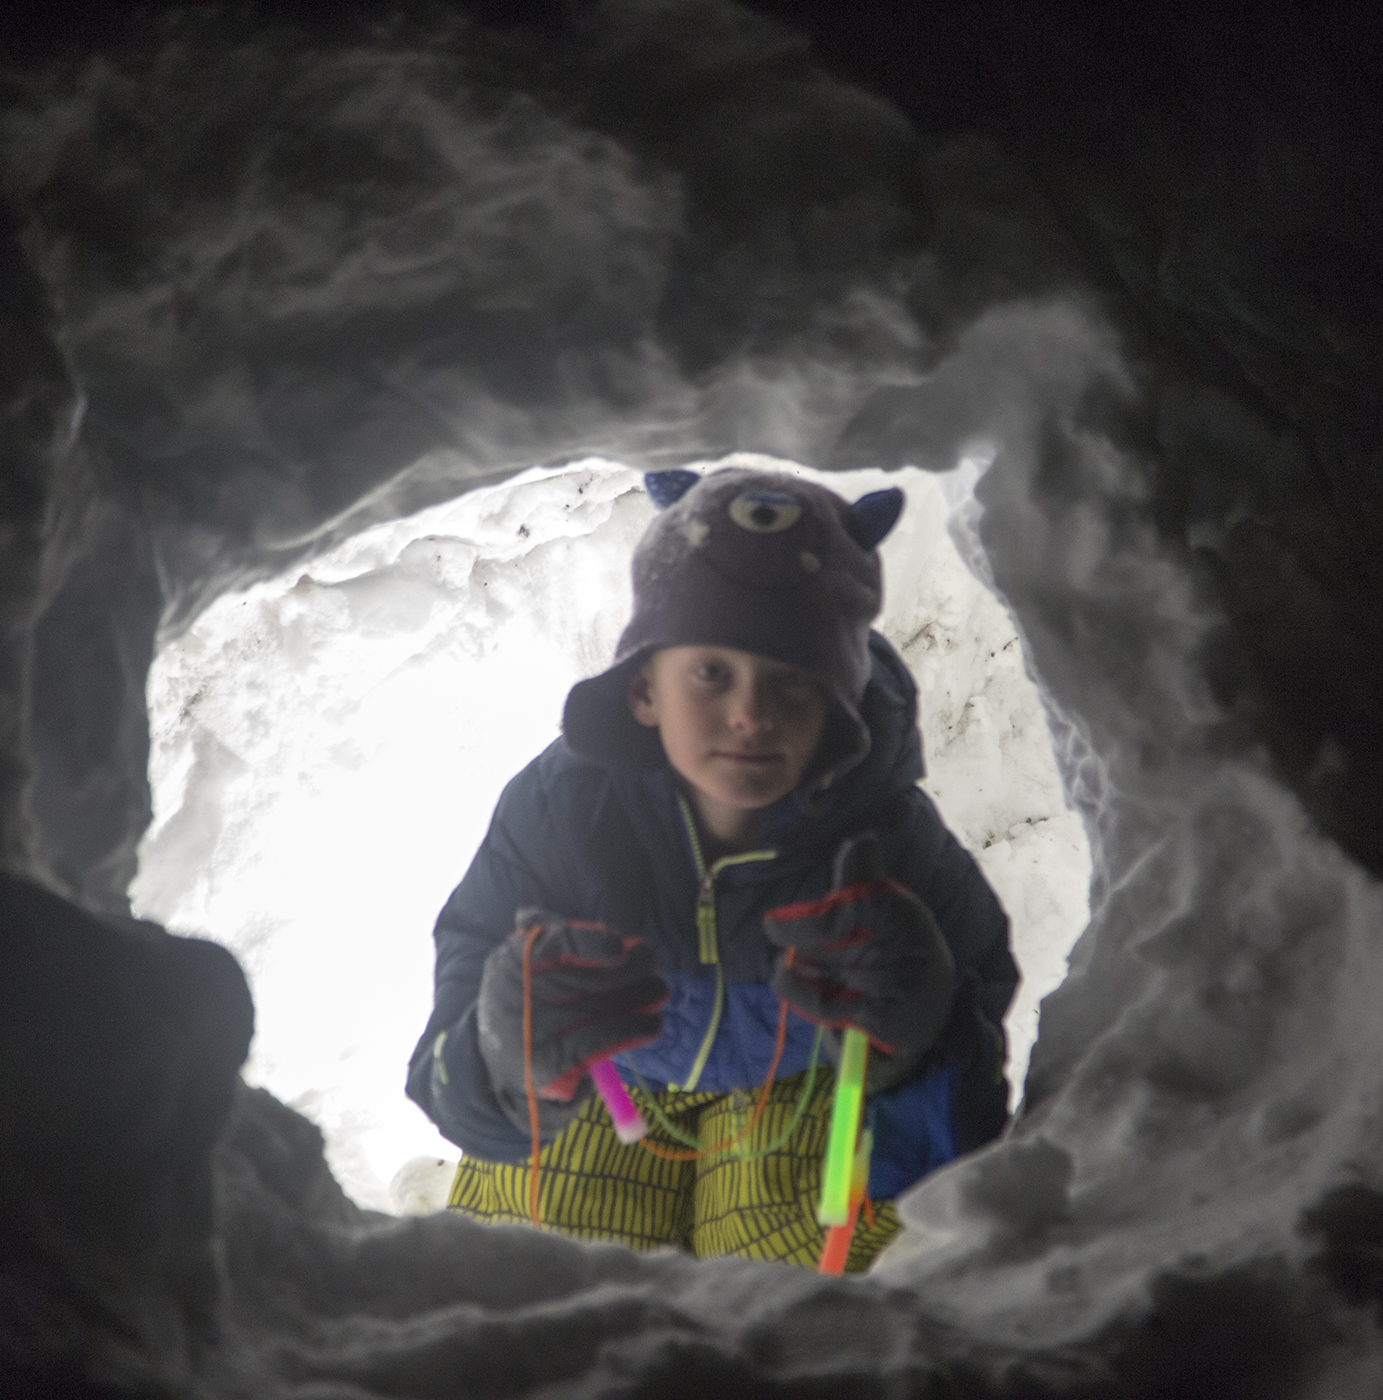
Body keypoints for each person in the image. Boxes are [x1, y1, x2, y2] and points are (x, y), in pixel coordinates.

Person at [405, 466, 1017, 1271]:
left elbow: (970, 1066)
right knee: (539, 1276)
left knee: (809, 1301)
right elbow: (452, 1034)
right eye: (710, 672)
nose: (751, 714)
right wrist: (503, 1057)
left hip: (803, 1087)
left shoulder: (888, 844)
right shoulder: (561, 813)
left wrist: (916, 1042)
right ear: (644, 687)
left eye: (793, 680)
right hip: (608, 1076)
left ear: (841, 703)